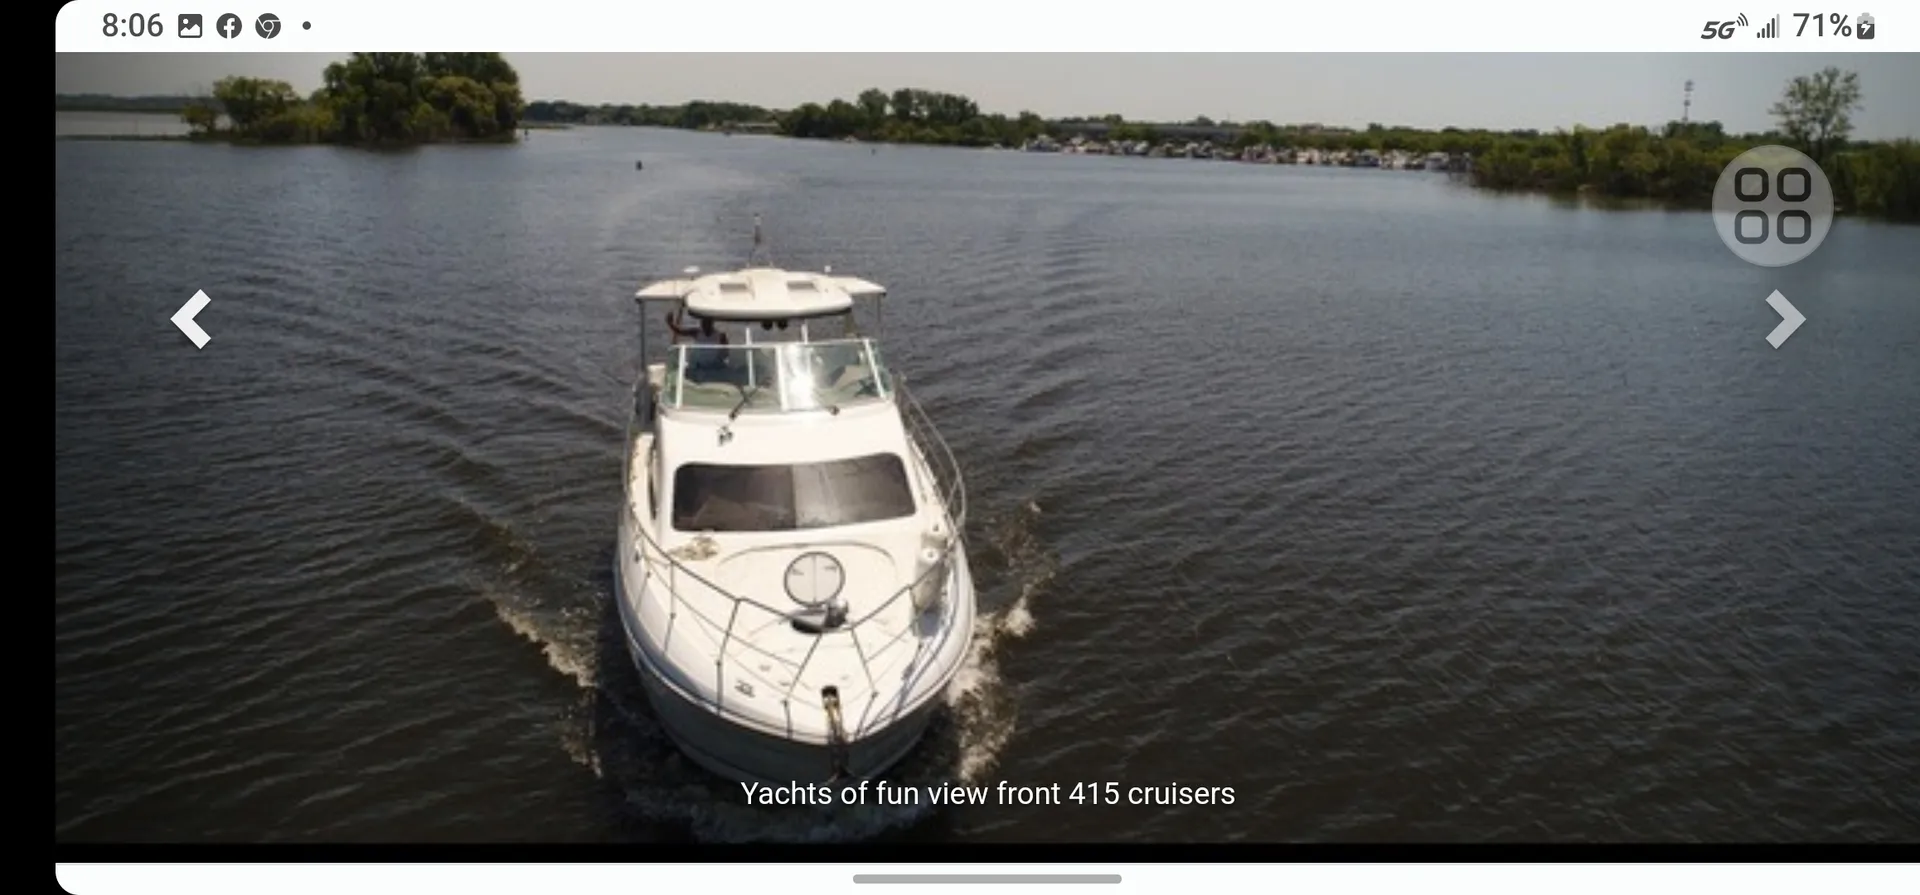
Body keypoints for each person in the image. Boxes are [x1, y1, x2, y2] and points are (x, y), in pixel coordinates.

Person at [665, 310, 729, 376]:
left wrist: (720, 360)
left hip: (713, 366)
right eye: (704, 323)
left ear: (711, 323)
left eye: (707, 323)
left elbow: (726, 352)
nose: (705, 325)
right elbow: (680, 331)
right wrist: (671, 323)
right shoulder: (697, 332)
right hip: (698, 365)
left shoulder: (720, 335)